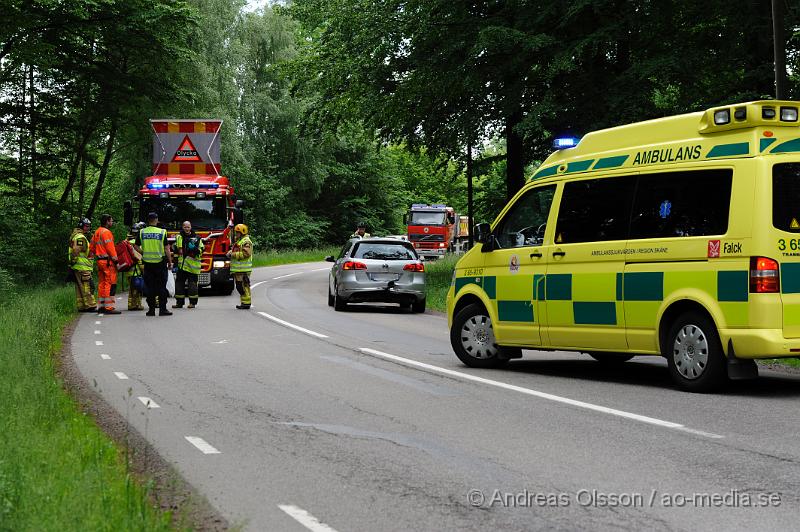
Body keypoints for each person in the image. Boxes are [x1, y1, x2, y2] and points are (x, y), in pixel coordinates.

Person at [137, 212, 173, 316]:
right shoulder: (162, 232)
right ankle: (162, 310)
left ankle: (151, 310)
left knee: (150, 287)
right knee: (161, 287)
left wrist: (143, 253)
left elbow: (135, 246)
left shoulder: (142, 232)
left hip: (148, 264)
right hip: (160, 263)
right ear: (156, 220)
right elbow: (166, 248)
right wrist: (170, 261)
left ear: (148, 220)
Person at [90, 213, 120, 314]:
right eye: (111, 221)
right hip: (108, 262)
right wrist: (116, 261)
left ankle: (101, 306)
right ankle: (108, 307)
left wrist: (99, 254)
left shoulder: (97, 232)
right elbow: (111, 249)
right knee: (109, 283)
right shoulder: (107, 232)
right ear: (107, 221)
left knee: (102, 283)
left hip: (99, 261)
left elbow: (91, 248)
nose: (112, 223)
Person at [173, 220, 205, 309]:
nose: (186, 229)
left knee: (192, 285)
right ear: (182, 227)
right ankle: (179, 303)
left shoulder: (197, 238)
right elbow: (176, 251)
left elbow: (201, 250)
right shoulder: (179, 237)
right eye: (185, 227)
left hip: (192, 266)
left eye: (188, 227)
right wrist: (175, 264)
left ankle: (192, 303)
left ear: (191, 227)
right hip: (181, 266)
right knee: (179, 284)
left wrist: (194, 248)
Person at [68, 218, 97, 312]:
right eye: (86, 226)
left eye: (89, 226)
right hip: (82, 267)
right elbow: (76, 250)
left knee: (80, 287)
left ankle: (82, 306)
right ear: (81, 226)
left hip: (79, 267)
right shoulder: (80, 237)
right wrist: (73, 261)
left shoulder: (76, 236)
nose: (88, 228)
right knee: (87, 286)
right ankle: (90, 305)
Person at [227, 223, 252, 309]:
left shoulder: (246, 242)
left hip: (243, 270)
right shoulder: (239, 241)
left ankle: (246, 303)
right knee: (239, 286)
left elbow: (246, 254)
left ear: (242, 232)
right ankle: (244, 303)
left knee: (243, 286)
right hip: (238, 270)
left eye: (237, 232)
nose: (236, 234)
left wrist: (233, 254)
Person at [127, 222, 146, 311]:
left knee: (133, 288)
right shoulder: (136, 244)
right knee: (136, 289)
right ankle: (134, 305)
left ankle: (135, 304)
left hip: (130, 269)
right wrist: (143, 269)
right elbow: (139, 258)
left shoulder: (128, 241)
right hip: (136, 270)